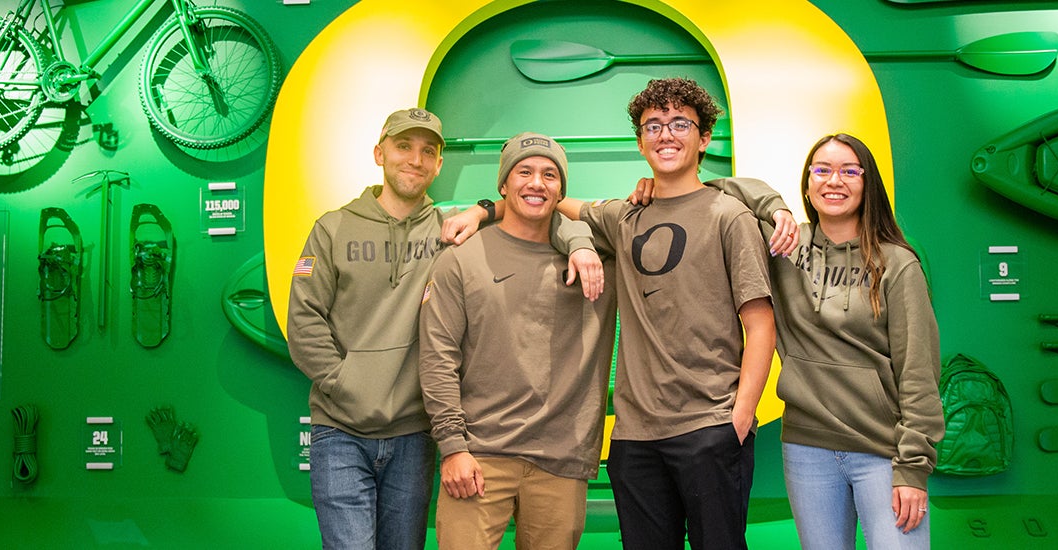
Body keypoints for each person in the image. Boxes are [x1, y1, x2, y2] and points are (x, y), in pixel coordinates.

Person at [447, 77, 776, 549]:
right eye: (653, 125)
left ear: (704, 138)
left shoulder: (729, 216)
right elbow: (543, 201)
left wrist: (738, 420)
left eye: (681, 123)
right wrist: (484, 211)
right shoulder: (624, 217)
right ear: (640, 140)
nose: (666, 134)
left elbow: (761, 324)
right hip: (633, 440)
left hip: (709, 427)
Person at [287, 109, 600, 549]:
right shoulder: (333, 228)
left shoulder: (450, 229)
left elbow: (533, 209)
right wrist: (350, 385)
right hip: (341, 429)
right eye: (403, 147)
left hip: (414, 433)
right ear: (379, 153)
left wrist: (578, 240)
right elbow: (304, 322)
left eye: (427, 152)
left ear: (438, 165)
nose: (415, 160)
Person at [698, 133, 944, 549]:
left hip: (883, 451)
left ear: (868, 185)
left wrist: (913, 469)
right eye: (822, 170)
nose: (835, 181)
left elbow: (918, 372)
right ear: (808, 184)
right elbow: (717, 188)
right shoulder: (786, 247)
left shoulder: (897, 263)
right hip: (807, 447)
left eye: (850, 171)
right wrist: (776, 209)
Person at [419, 133, 618, 549]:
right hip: (478, 455)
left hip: (561, 459)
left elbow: (664, 210)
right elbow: (438, 359)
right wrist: (453, 447)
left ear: (561, 190)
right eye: (523, 171)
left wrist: (579, 239)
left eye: (549, 175)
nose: (536, 183)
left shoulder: (600, 261)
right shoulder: (461, 258)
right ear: (503, 185)